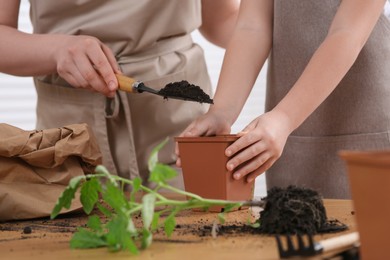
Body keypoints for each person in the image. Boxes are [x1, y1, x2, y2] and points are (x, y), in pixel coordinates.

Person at [0, 0, 240, 188]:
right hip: (71, 147)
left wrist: (275, 113)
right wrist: (56, 51)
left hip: (179, 136)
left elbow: (222, 20)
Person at [176, 0, 390, 199]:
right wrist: (221, 111)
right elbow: (252, 27)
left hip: (363, 116)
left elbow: (348, 33)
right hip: (287, 130)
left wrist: (285, 117)